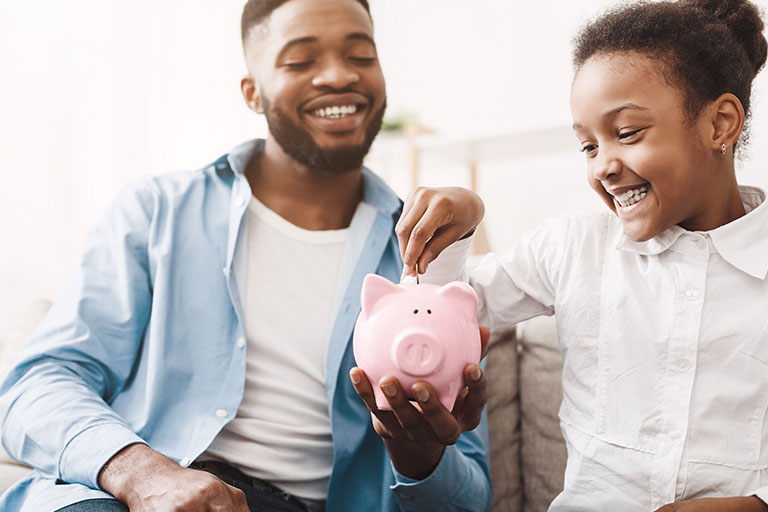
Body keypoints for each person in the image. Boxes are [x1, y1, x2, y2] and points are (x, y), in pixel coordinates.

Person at [0, 0, 493, 510]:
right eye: (301, 61)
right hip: (127, 498)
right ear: (252, 93)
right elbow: (38, 384)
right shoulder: (157, 212)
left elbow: (472, 497)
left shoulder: (426, 262)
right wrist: (142, 473)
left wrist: (421, 455)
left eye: (361, 55)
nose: (338, 75)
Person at [403, 0, 768, 510]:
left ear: (720, 125)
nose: (604, 167)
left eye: (626, 133)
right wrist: (460, 220)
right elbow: (444, 315)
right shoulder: (572, 247)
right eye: (588, 147)